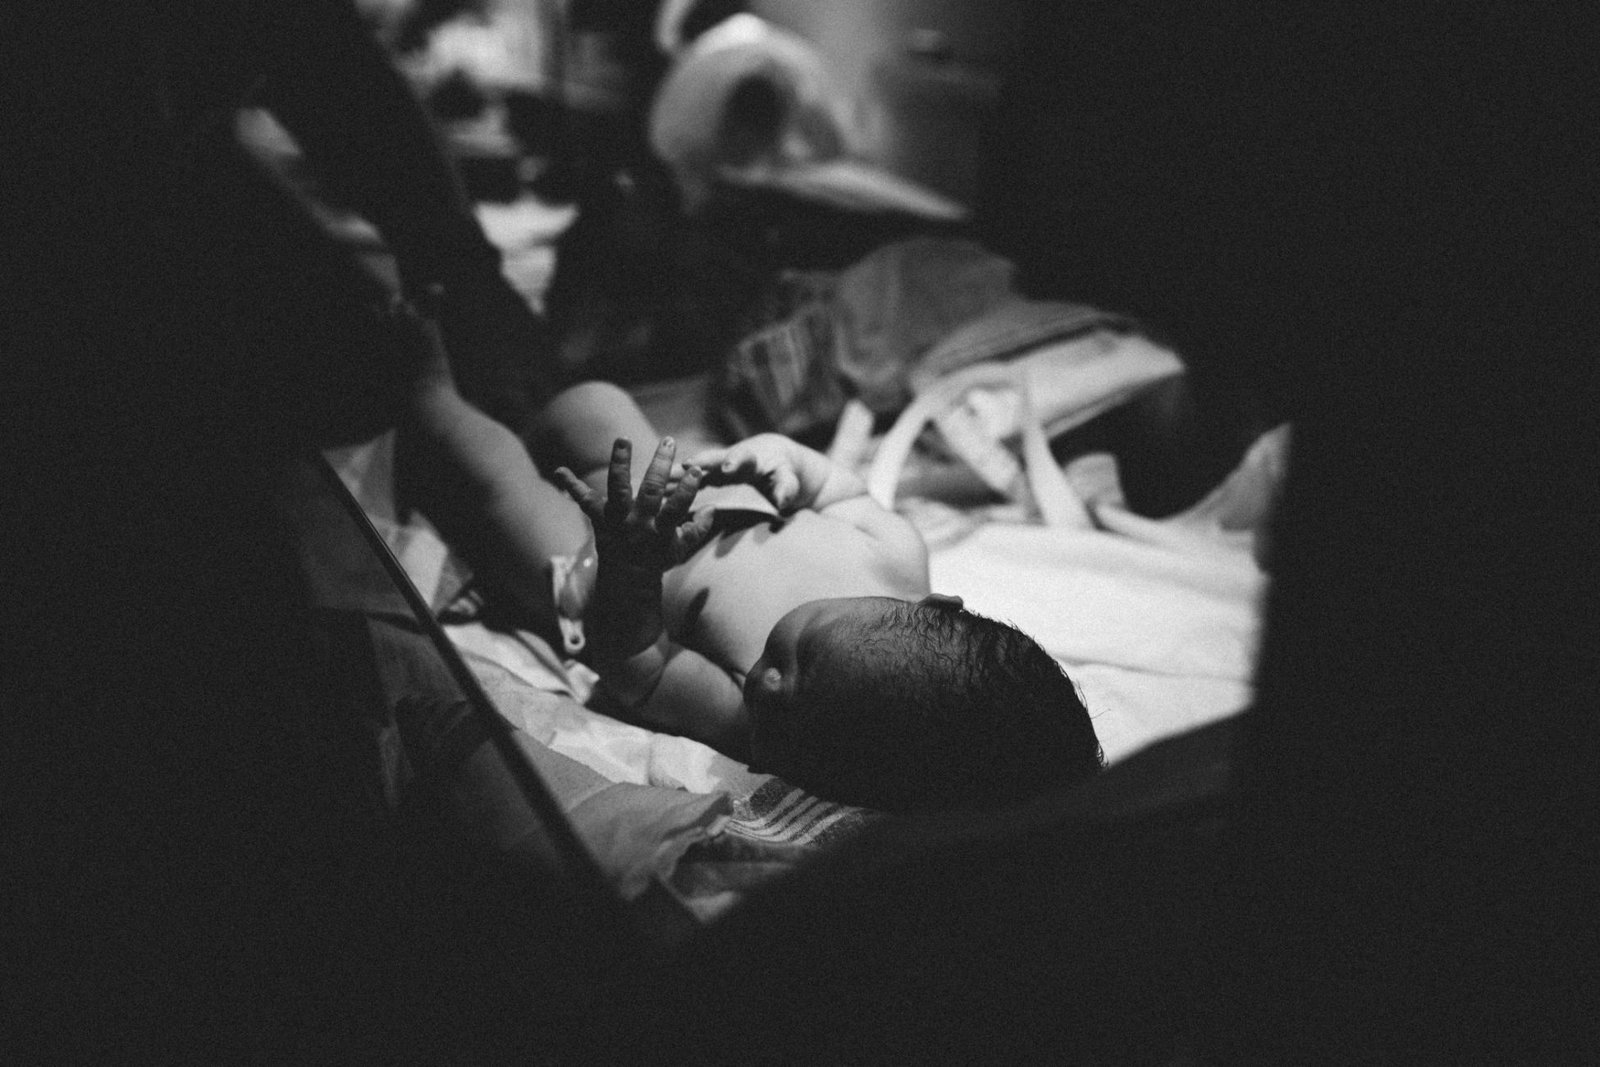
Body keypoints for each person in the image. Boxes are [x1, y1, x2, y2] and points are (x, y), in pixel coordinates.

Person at [552, 431, 1103, 812]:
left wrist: (628, 570)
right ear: (930, 608)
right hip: (681, 485)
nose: (767, 685)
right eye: (804, 658)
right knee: (594, 407)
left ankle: (459, 404)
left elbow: (641, 668)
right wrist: (781, 457)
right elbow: (836, 489)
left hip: (600, 567)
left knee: (498, 486)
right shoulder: (895, 552)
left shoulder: (752, 723)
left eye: (798, 729)